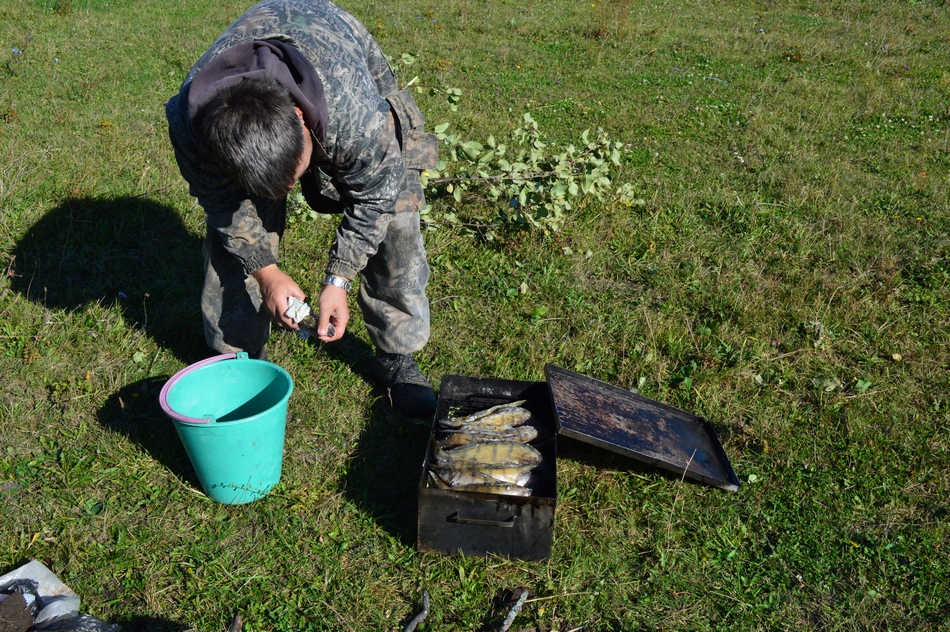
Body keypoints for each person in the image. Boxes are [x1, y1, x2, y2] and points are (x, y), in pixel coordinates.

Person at [165, 0, 438, 416]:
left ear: (301, 117)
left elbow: (376, 196)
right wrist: (266, 273)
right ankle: (237, 361)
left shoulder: (355, 111)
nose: (292, 189)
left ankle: (396, 356)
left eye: (297, 173)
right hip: (255, 98)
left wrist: (339, 279)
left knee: (397, 216)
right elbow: (222, 204)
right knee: (230, 236)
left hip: (335, 47)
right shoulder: (191, 125)